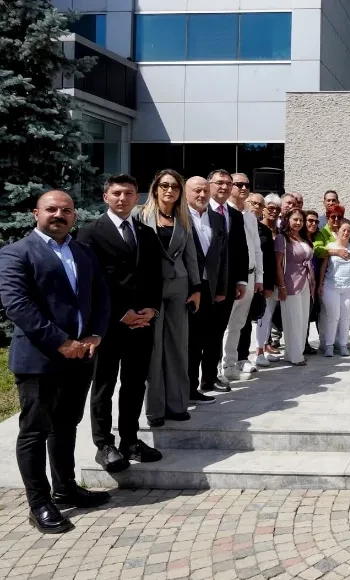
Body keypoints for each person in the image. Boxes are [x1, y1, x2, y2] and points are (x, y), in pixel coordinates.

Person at [0, 190, 111, 533]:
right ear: (36, 213)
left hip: (81, 357)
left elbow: (101, 295)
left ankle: (65, 488)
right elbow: (17, 305)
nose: (59, 215)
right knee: (35, 431)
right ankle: (39, 503)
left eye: (66, 210)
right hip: (40, 359)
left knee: (66, 424)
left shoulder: (83, 251)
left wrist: (95, 334)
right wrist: (61, 342)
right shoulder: (16, 252)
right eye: (51, 209)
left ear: (74, 216)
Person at [76, 174, 163, 473]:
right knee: (104, 385)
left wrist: (151, 309)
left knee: (135, 383)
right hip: (108, 325)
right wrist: (119, 313)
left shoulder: (145, 233)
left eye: (128, 193)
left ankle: (130, 440)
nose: (123, 198)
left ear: (136, 197)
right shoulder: (90, 233)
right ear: (106, 197)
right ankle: (104, 444)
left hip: (142, 324)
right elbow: (89, 281)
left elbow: (155, 276)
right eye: (116, 193)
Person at [137, 170, 202, 426]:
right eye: (164, 185)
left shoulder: (183, 219)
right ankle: (155, 410)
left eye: (175, 187)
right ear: (155, 188)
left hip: (179, 287)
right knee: (153, 349)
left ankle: (177, 404)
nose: (169, 190)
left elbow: (191, 255)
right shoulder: (140, 215)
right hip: (150, 289)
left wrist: (196, 288)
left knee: (177, 346)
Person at [205, 169, 249, 393]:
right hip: (203, 283)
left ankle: (210, 376)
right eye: (219, 182)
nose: (224, 187)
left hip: (228, 283)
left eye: (228, 183)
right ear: (209, 184)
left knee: (217, 331)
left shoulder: (235, 215)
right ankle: (189, 380)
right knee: (198, 334)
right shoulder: (199, 211)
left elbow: (241, 249)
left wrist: (241, 280)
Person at [186, 176, 228, 405]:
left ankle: (196, 386)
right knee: (189, 342)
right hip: (185, 288)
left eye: (204, 190)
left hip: (209, 288)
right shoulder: (179, 217)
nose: (201, 195)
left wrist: (221, 288)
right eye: (196, 190)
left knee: (203, 339)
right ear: (186, 192)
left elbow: (222, 256)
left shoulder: (217, 218)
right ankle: (185, 389)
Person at [221, 173, 262, 379]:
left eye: (247, 184)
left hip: (250, 276)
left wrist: (259, 278)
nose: (244, 188)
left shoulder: (250, 216)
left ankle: (230, 365)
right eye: (239, 184)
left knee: (238, 324)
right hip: (231, 277)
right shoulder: (222, 212)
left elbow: (256, 249)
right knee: (224, 325)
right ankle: (218, 367)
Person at [238, 193, 276, 372]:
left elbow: (267, 259)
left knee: (250, 321)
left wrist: (266, 284)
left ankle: (245, 356)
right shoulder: (237, 221)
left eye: (260, 205)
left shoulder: (265, 230)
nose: (256, 207)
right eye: (253, 203)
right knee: (233, 323)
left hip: (256, 279)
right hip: (237, 279)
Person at [275, 208, 314, 366]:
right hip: (290, 283)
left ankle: (297, 352)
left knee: (303, 319)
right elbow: (278, 264)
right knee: (293, 320)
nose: (298, 222)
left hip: (305, 282)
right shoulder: (281, 238)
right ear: (287, 220)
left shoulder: (304, 238)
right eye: (295, 219)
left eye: (301, 220)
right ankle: (295, 355)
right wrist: (281, 286)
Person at [319, 221, 350, 356]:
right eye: (343, 230)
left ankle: (343, 345)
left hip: (349, 287)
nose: (346, 233)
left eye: (349, 231)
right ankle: (329, 345)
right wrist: (320, 284)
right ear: (338, 231)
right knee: (333, 317)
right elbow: (323, 267)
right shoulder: (330, 247)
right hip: (331, 286)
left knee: (345, 317)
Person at [254, 194, 282, 366]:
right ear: (263, 209)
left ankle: (265, 348)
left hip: (275, 279)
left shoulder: (279, 231)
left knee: (269, 315)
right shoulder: (258, 228)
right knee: (262, 316)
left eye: (277, 209)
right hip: (262, 279)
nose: (274, 211)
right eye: (270, 208)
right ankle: (258, 353)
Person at [303, 210, 322, 355]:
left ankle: (305, 343)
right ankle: (301, 344)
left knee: (309, 313)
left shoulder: (318, 238)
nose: (313, 224)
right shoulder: (299, 239)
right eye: (310, 221)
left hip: (315, 281)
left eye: (316, 221)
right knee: (302, 314)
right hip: (301, 282)